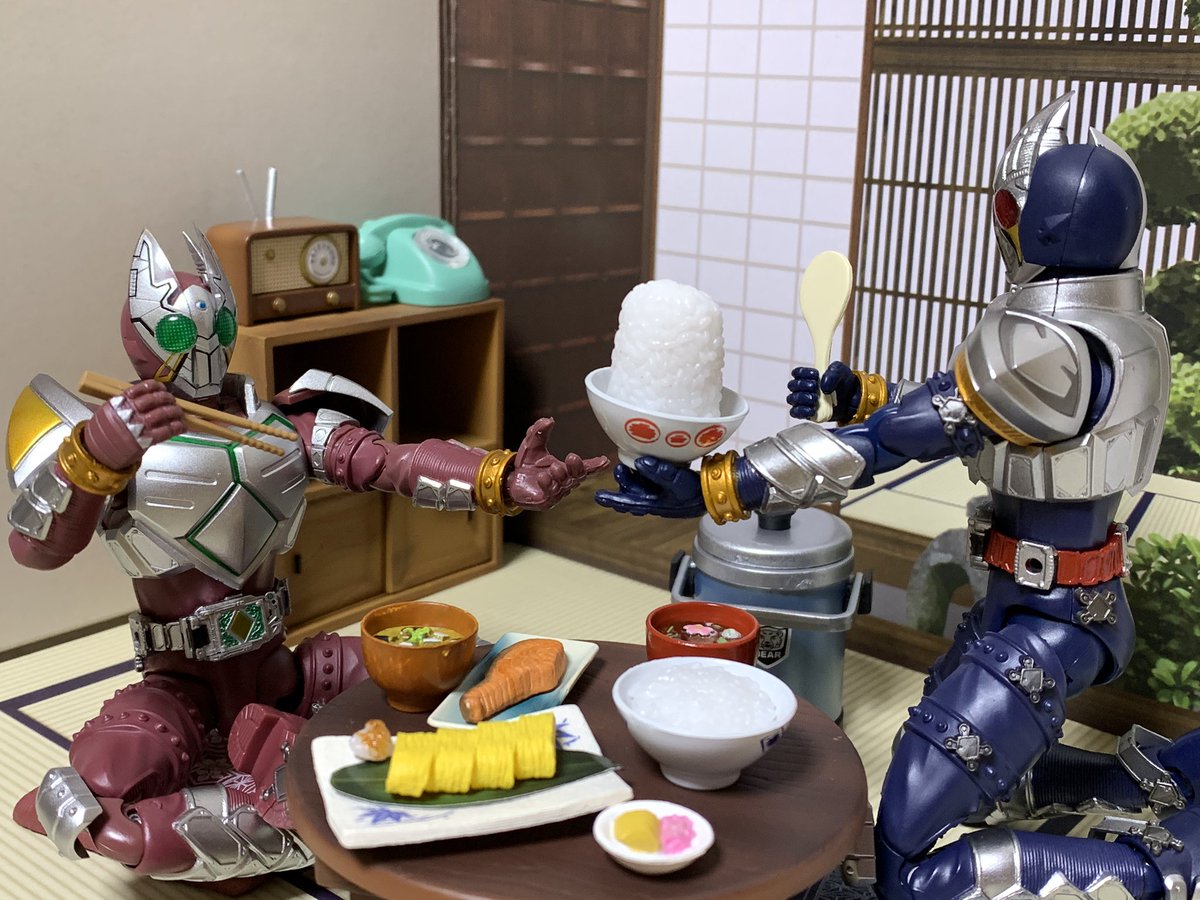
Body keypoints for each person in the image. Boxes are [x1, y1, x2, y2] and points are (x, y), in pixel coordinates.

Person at [597, 94, 1199, 897]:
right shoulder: (1126, 330)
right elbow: (972, 416)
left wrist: (718, 484)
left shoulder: (1049, 343)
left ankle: (1169, 868)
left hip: (1047, 624)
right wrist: (863, 394)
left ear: (1032, 222)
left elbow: (894, 440)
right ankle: (1157, 782)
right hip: (1044, 604)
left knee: (906, 853)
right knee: (983, 764)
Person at [7, 228, 608, 883]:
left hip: (284, 671)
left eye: (218, 327)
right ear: (145, 337)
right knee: (102, 804)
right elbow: (35, 548)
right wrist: (92, 455)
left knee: (471, 668)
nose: (202, 347)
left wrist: (500, 478)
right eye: (180, 333)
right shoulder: (105, 438)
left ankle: (309, 801)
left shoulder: (280, 421)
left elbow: (393, 463)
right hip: (178, 686)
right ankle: (302, 812)